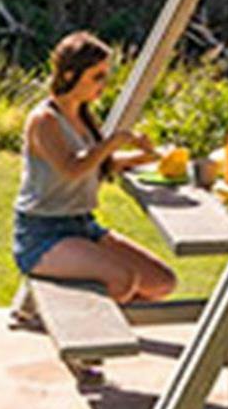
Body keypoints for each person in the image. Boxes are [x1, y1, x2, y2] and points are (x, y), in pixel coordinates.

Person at [12, 31, 177, 310]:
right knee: (123, 281)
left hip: (83, 225)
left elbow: (100, 164)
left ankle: (94, 317)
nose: (103, 84)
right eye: (97, 76)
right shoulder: (44, 120)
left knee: (161, 282)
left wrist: (146, 156)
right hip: (44, 234)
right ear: (68, 76)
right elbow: (72, 168)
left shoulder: (82, 115)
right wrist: (111, 143)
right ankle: (66, 320)